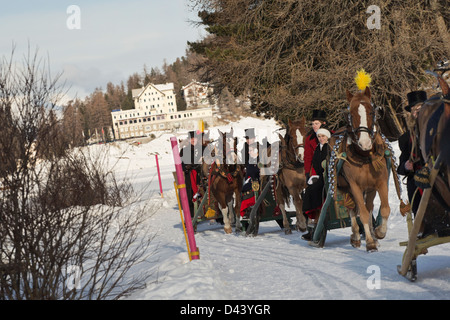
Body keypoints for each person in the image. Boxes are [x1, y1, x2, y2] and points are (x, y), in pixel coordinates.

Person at [397, 91, 427, 217]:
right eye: (415, 110)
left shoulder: (439, 129)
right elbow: (401, 167)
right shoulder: (406, 138)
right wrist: (406, 165)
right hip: (418, 177)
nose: (418, 112)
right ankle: (421, 224)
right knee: (414, 184)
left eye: (421, 108)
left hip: (439, 172)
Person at [301, 128, 331, 240]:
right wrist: (313, 176)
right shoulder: (318, 148)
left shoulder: (330, 147)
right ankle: (312, 220)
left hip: (328, 176)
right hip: (319, 176)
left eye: (323, 136)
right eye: (319, 137)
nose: (321, 138)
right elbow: (315, 164)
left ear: (327, 137)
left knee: (315, 189)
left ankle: (316, 218)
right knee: (308, 190)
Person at [180, 130, 204, 217]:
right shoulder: (184, 150)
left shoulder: (202, 149)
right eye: (191, 139)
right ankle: (191, 216)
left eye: (195, 138)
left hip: (200, 174)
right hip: (189, 176)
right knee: (189, 196)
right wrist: (186, 167)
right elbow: (181, 165)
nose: (193, 140)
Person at [304, 109, 328, 180]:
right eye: (313, 124)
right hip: (316, 171)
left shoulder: (333, 135)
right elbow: (308, 157)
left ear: (323, 123)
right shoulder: (310, 139)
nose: (314, 126)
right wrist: (307, 172)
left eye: (316, 124)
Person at [240, 143, 260, 220]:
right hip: (250, 182)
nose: (248, 152)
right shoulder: (250, 161)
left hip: (257, 182)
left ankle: (248, 209)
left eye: (250, 150)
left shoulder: (260, 160)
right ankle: (247, 210)